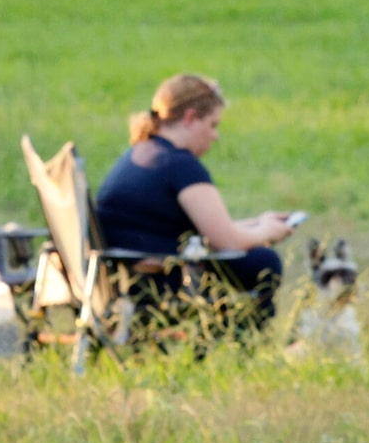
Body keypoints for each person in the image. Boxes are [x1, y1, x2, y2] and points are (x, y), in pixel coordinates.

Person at [94, 73, 301, 325]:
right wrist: (266, 232)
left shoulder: (140, 153)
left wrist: (257, 222)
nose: (215, 136)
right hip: (160, 281)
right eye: (213, 125)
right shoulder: (180, 166)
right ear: (191, 117)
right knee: (263, 262)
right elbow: (226, 242)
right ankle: (241, 347)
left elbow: (207, 231)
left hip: (122, 277)